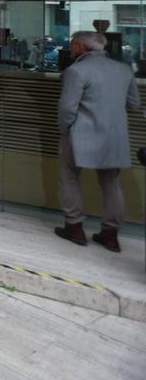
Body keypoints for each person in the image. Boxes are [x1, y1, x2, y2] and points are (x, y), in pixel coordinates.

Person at [55, 31, 141, 251]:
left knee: (70, 177)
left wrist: (65, 130)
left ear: (82, 48)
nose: (70, 47)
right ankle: (110, 234)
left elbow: (67, 108)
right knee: (111, 183)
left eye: (72, 44)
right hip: (114, 136)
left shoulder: (76, 71)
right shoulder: (123, 70)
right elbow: (134, 104)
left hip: (79, 134)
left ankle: (74, 228)